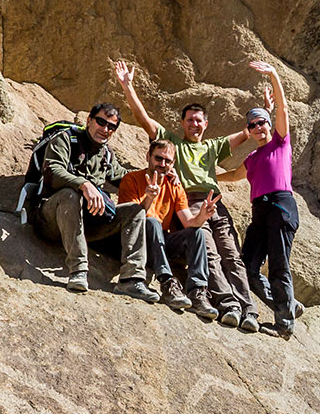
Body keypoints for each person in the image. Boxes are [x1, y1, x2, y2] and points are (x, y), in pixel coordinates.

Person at [112, 60, 260, 332]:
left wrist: (263, 116)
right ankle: (228, 304)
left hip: (215, 204)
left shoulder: (213, 146)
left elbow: (246, 134)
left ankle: (248, 310)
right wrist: (127, 86)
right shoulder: (172, 145)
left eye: (199, 120)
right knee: (210, 253)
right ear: (181, 123)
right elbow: (144, 118)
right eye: (189, 119)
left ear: (206, 124)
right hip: (189, 202)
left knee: (232, 255)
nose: (194, 123)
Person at [34, 102, 156, 299]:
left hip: (86, 224)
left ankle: (131, 279)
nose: (105, 129)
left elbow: (124, 178)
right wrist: (84, 184)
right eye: (101, 122)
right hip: (51, 219)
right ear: (89, 120)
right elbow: (52, 171)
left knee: (136, 210)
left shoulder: (105, 154)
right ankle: (78, 271)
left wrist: (158, 174)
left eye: (111, 127)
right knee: (70, 195)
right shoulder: (66, 140)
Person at [116, 139, 219, 318]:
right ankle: (167, 282)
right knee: (152, 222)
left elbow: (188, 222)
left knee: (197, 233)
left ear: (173, 163)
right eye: (158, 158)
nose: (162, 164)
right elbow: (132, 219)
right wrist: (148, 197)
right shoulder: (131, 179)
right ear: (148, 156)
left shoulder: (174, 185)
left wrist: (203, 215)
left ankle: (197, 292)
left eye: (168, 161)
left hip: (162, 241)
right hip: (137, 240)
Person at [240, 60, 300, 338]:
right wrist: (207, 173)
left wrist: (274, 75)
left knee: (278, 265)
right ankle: (288, 306)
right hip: (259, 212)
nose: (258, 127)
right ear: (249, 131)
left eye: (262, 122)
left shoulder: (280, 142)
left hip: (280, 206)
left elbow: (283, 111)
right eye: (253, 125)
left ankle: (284, 324)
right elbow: (231, 174)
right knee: (248, 267)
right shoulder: (252, 158)